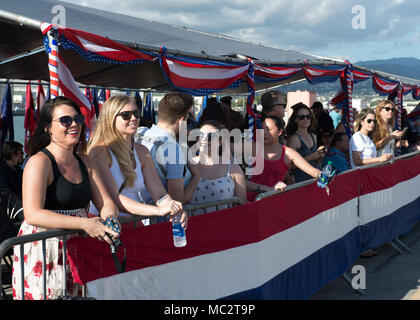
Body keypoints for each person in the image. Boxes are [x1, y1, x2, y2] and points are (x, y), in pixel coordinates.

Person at [12, 97, 120, 300]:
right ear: (48, 128)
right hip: (45, 248)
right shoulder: (39, 162)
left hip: (79, 246)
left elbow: (106, 203)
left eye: (78, 119)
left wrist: (110, 219)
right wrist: (84, 223)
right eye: (65, 120)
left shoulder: (86, 161)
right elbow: (33, 214)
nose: (74, 125)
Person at [87, 95, 185, 226]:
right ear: (110, 118)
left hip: (133, 222)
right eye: (126, 115)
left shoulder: (142, 151)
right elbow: (114, 198)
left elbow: (160, 194)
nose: (133, 118)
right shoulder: (100, 151)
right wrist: (159, 211)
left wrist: (174, 208)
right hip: (106, 225)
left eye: (136, 113)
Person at [137, 92, 200, 205]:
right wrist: (196, 176)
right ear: (181, 120)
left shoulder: (140, 133)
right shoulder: (173, 150)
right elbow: (178, 200)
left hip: (136, 210)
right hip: (159, 217)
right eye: (188, 119)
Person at [247, 115, 321, 201]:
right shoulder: (254, 147)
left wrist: (324, 175)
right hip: (252, 202)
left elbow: (313, 171)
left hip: (273, 202)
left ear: (280, 132)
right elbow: (228, 147)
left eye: (269, 129)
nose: (264, 132)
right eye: (262, 129)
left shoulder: (288, 153)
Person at [189, 120, 247, 214]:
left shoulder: (232, 167)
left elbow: (242, 206)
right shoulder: (188, 165)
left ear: (220, 141)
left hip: (224, 226)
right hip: (194, 227)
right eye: (200, 136)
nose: (204, 140)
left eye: (210, 136)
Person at [286, 103, 326, 183]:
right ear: (295, 119)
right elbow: (289, 166)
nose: (305, 119)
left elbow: (313, 164)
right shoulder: (294, 139)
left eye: (308, 116)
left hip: (312, 180)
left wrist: (320, 156)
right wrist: (311, 156)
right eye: (301, 117)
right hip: (299, 182)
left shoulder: (313, 136)